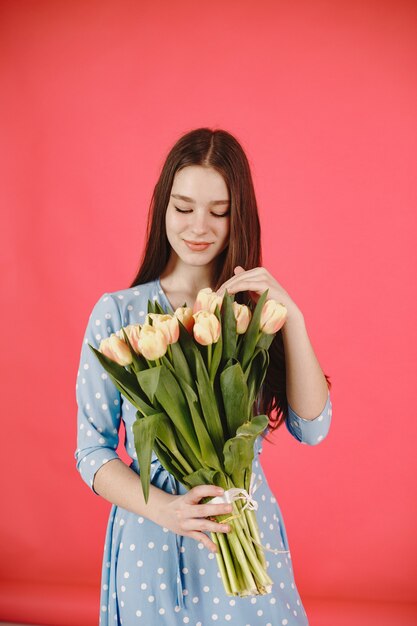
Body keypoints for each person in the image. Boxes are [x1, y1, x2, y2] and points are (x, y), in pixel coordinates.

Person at [75, 127, 332, 626]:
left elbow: (314, 428)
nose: (199, 226)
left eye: (219, 211)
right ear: (162, 209)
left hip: (245, 530)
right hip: (155, 540)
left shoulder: (252, 315)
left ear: (240, 216)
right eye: (183, 207)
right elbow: (91, 452)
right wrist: (166, 510)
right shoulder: (118, 315)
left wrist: (291, 316)